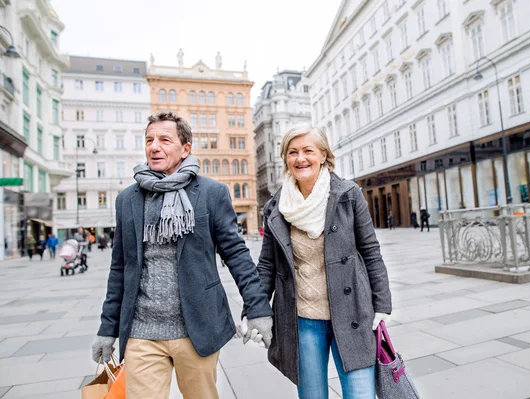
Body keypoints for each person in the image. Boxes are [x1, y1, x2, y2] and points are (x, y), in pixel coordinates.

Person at [92, 111, 273, 399]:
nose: (154, 146)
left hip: (197, 326)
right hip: (142, 330)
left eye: (165, 139)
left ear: (185, 148)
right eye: (149, 139)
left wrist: (259, 309)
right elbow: (119, 268)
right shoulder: (128, 199)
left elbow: (236, 254)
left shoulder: (211, 193)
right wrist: (107, 328)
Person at [251, 125, 392, 398]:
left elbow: (371, 251)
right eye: (293, 152)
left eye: (308, 151)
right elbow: (267, 265)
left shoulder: (347, 195)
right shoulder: (277, 207)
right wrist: (256, 309)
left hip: (352, 312)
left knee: (360, 394)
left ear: (323, 155)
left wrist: (382, 303)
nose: (300, 158)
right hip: (302, 319)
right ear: (285, 159)